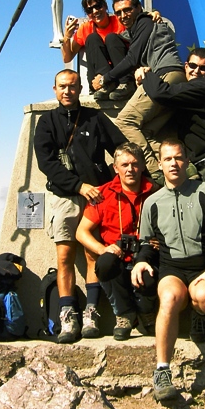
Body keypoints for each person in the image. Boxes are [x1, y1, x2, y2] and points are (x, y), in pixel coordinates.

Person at [131, 139, 205, 402]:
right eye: (168, 159)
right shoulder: (153, 202)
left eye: (178, 158)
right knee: (169, 299)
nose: (173, 164)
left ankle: (200, 313)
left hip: (203, 267)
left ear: (187, 161)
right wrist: (141, 260)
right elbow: (146, 242)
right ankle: (162, 371)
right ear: (160, 164)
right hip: (172, 269)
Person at [34, 69, 127, 343]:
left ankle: (91, 313)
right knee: (64, 257)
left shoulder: (95, 118)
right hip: (64, 196)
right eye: (62, 86)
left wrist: (113, 177)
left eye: (72, 86)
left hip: (96, 196)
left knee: (92, 256)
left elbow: (120, 145)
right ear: (54, 89)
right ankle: (67, 316)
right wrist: (78, 186)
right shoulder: (46, 122)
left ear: (80, 88)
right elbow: (46, 164)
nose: (67, 91)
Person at [91, 0, 185, 182]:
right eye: (118, 13)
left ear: (139, 8)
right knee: (146, 132)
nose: (123, 16)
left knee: (125, 122)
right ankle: (185, 167)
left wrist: (104, 79)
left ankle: (155, 173)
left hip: (165, 75)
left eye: (127, 10)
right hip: (173, 78)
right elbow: (119, 39)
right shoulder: (137, 28)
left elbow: (132, 58)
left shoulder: (145, 22)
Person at [75, 142, 158, 341]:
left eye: (135, 164)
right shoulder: (103, 194)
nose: (130, 169)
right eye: (125, 164)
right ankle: (124, 315)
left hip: (146, 256)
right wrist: (103, 249)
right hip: (117, 257)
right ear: (115, 168)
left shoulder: (156, 193)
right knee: (104, 264)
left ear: (143, 166)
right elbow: (81, 232)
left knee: (150, 273)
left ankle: (145, 312)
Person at [141, 47, 205, 182]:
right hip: (197, 165)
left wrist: (146, 74)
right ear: (186, 66)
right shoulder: (189, 92)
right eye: (192, 65)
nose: (196, 71)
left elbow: (160, 93)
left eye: (203, 68)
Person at [60, 0, 134, 101]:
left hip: (122, 75)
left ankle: (126, 83)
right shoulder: (85, 28)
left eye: (97, 6)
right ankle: (106, 84)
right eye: (90, 10)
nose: (95, 11)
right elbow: (67, 58)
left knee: (111, 38)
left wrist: (153, 14)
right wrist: (67, 36)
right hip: (99, 80)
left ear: (105, 6)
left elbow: (138, 17)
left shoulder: (120, 20)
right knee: (92, 38)